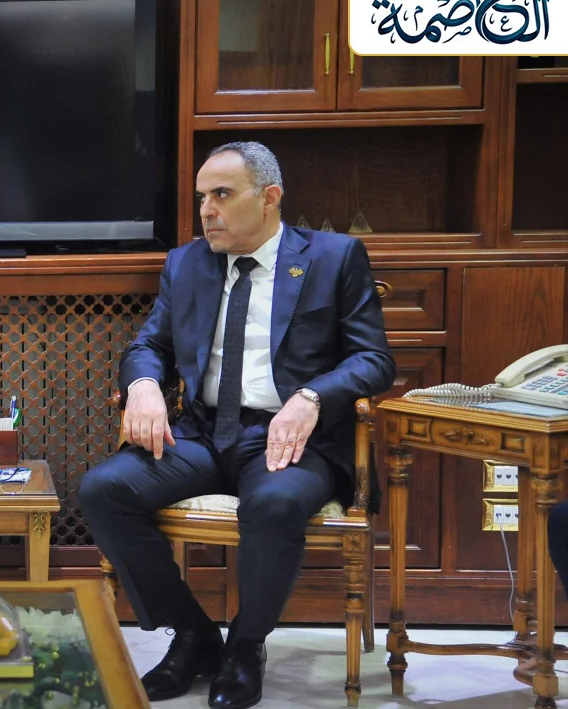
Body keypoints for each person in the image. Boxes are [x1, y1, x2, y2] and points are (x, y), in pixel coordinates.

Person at [78, 141, 394, 709]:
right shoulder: (186, 263)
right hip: (201, 434)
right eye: (202, 197)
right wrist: (144, 384)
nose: (207, 210)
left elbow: (374, 359)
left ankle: (246, 647)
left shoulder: (333, 257)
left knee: (273, 505)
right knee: (104, 489)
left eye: (221, 195)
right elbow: (149, 344)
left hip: (290, 440)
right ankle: (193, 635)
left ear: (269, 197)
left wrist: (312, 396)